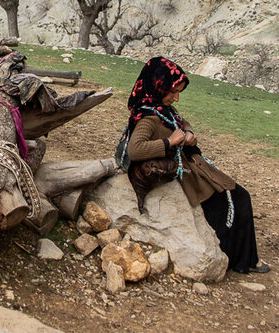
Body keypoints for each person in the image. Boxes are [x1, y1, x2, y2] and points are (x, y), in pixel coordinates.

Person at [115, 56, 269, 274]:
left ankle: (243, 258)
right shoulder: (147, 117)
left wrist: (188, 133)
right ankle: (242, 260)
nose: (176, 98)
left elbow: (180, 120)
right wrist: (169, 142)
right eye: (173, 92)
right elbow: (135, 149)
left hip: (191, 165)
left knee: (238, 196)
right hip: (186, 173)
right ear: (159, 86)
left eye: (179, 92)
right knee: (236, 200)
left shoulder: (160, 107)